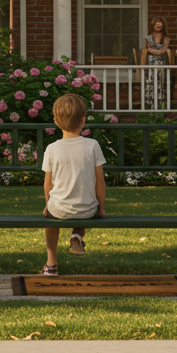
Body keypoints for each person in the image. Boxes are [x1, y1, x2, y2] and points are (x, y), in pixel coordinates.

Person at [39, 93, 106, 276]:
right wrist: (101, 208)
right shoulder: (92, 145)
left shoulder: (52, 148)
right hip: (87, 209)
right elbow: (100, 182)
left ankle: (51, 264)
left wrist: (48, 206)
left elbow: (48, 186)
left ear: (56, 121)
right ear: (83, 120)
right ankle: (77, 234)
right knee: (82, 204)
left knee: (51, 218)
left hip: (59, 209)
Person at [142, 16, 171, 110]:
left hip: (162, 62)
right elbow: (148, 49)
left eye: (160, 22)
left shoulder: (165, 38)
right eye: (156, 23)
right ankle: (149, 104)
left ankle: (160, 105)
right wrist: (155, 51)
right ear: (152, 25)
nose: (158, 24)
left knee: (161, 82)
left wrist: (156, 51)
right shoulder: (148, 37)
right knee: (149, 81)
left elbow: (164, 49)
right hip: (150, 62)